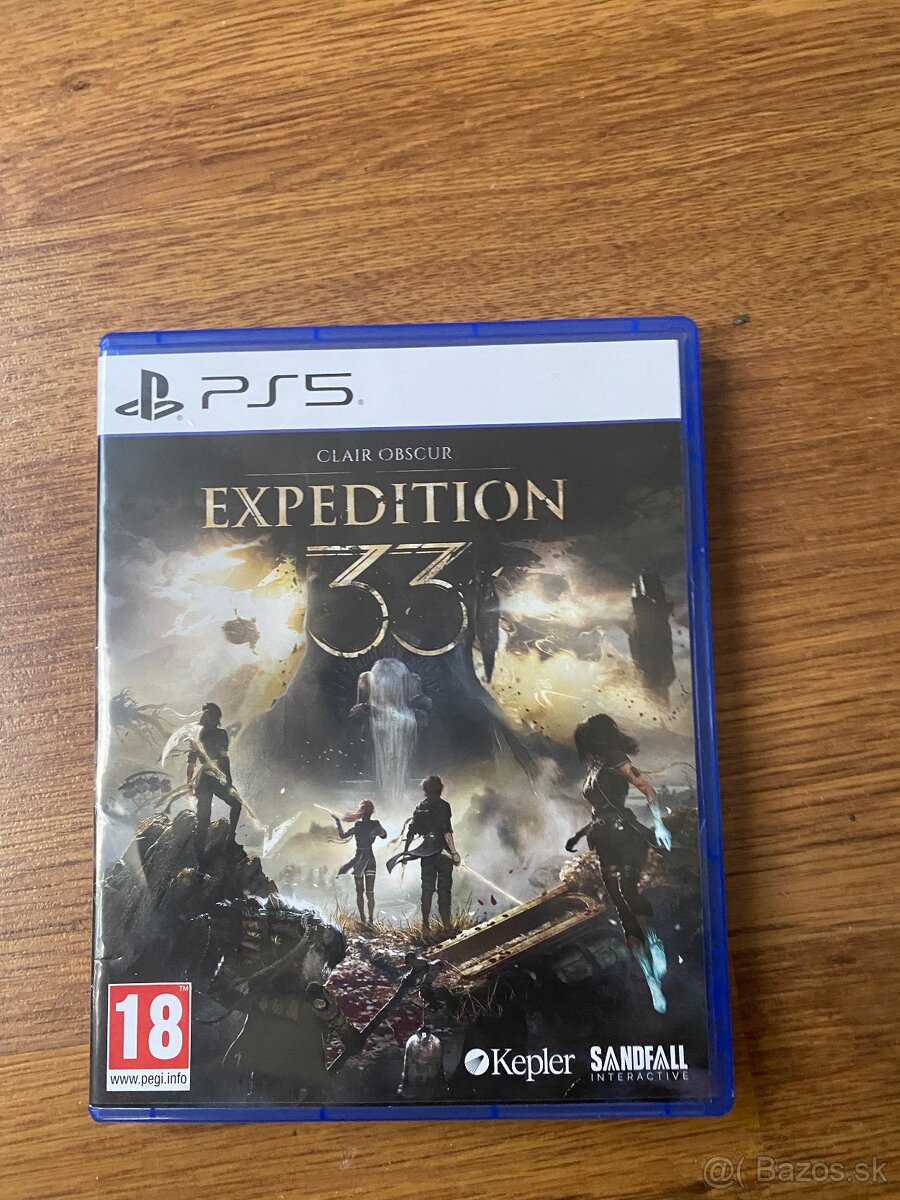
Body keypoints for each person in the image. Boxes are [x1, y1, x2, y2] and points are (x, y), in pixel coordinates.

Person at [565, 713, 671, 1013]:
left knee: (627, 891)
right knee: (619, 904)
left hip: (626, 833)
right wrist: (578, 835)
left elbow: (646, 788)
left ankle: (654, 942)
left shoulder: (615, 758)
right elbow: (598, 812)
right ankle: (650, 977)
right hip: (604, 838)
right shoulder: (594, 769)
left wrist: (660, 824)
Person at [387, 776, 461, 933]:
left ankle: (425, 925)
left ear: (425, 789)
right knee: (444, 890)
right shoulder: (444, 805)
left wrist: (406, 852)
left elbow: (411, 832)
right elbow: (446, 832)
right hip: (443, 853)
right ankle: (446, 926)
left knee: (427, 889)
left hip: (427, 854)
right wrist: (454, 852)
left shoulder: (420, 806)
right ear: (440, 788)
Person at [187, 702, 241, 862]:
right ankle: (223, 843)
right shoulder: (216, 734)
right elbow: (223, 759)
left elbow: (191, 764)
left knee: (204, 817)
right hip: (211, 778)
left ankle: (224, 843)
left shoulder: (197, 735)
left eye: (206, 713)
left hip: (207, 779)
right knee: (209, 815)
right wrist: (228, 782)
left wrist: (189, 783)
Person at [331, 800, 387, 925]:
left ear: (361, 812)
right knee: (369, 892)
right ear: (371, 812)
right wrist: (378, 831)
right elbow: (384, 835)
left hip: (359, 860)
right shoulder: (374, 824)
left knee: (360, 892)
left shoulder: (358, 826)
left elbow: (343, 835)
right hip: (369, 859)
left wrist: (338, 821)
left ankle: (363, 920)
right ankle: (370, 921)